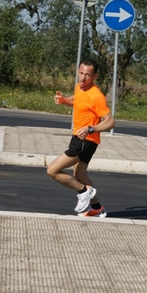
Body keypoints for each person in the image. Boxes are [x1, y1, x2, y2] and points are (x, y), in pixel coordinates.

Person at [47, 58, 115, 217]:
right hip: (81, 139)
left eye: (88, 75)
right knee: (79, 174)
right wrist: (64, 100)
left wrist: (91, 128)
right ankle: (97, 208)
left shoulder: (96, 96)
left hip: (86, 140)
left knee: (52, 170)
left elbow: (110, 122)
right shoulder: (79, 87)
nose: (83, 78)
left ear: (95, 76)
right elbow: (77, 100)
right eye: (81, 73)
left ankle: (84, 191)